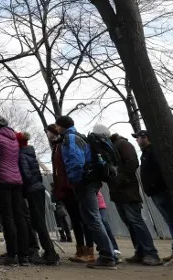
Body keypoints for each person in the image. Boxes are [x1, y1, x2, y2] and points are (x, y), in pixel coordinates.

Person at [92, 124, 161, 266]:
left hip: (127, 189)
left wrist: (119, 180)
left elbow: (132, 163)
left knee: (135, 221)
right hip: (118, 191)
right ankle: (140, 251)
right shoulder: (109, 148)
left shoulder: (122, 144)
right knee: (129, 222)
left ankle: (151, 253)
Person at [55, 115, 116, 269]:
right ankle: (108, 253)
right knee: (90, 218)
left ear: (60, 126)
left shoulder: (70, 138)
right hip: (90, 181)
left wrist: (74, 179)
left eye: (57, 126)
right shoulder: (79, 136)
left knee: (93, 218)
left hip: (84, 182)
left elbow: (75, 160)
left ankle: (108, 256)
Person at [0, 115, 28, 266]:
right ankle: (24, 255)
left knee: (7, 218)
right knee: (20, 217)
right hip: (17, 180)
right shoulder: (13, 138)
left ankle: (12, 255)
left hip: (2, 181)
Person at [136, 130, 173, 260]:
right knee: (170, 220)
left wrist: (154, 185)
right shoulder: (146, 153)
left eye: (138, 138)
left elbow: (159, 170)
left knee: (172, 221)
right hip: (155, 192)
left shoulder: (153, 152)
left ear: (145, 137)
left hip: (160, 191)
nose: (137, 140)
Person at [17, 132, 59, 265]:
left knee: (39, 223)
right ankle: (49, 252)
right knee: (39, 221)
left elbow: (26, 175)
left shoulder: (21, 155)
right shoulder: (30, 153)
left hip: (32, 190)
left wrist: (23, 188)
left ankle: (50, 254)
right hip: (38, 188)